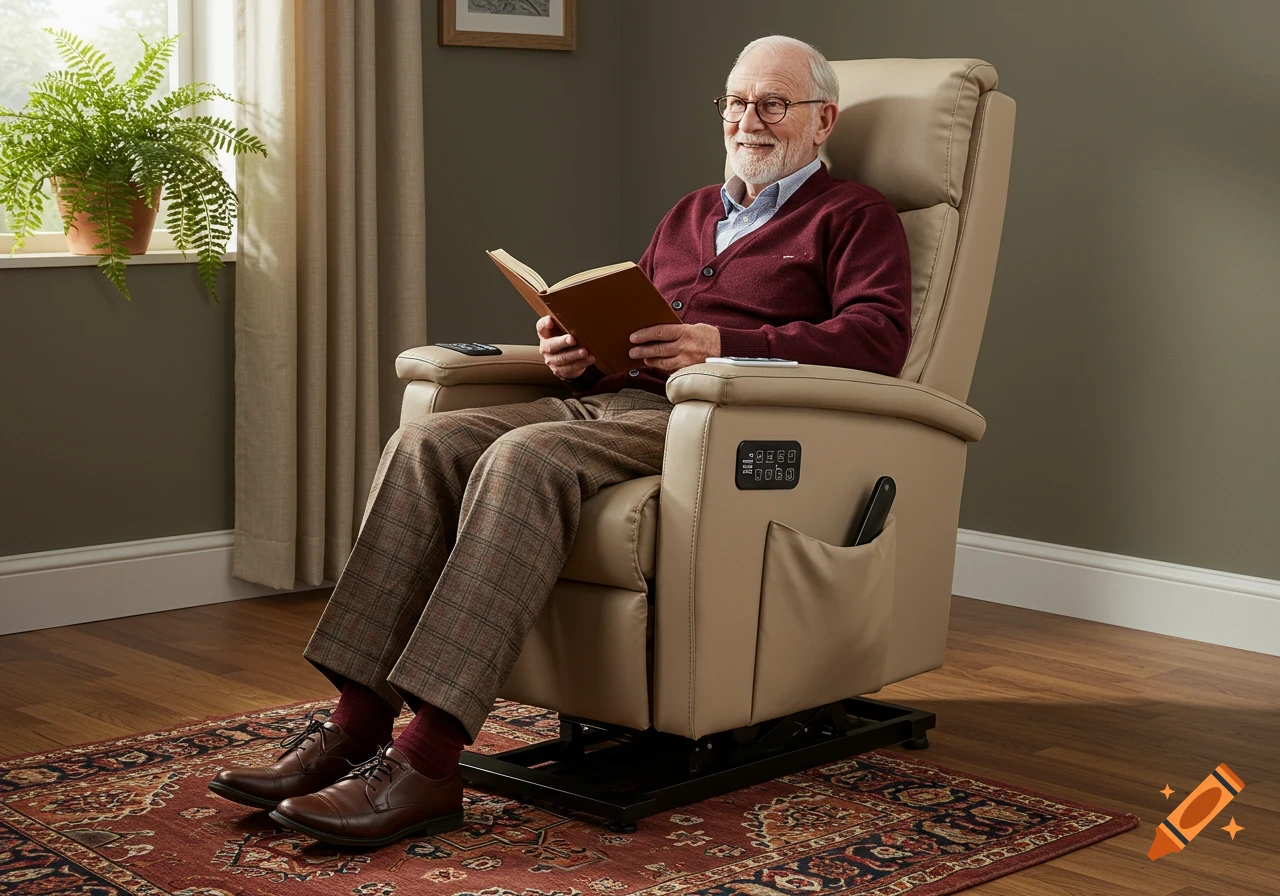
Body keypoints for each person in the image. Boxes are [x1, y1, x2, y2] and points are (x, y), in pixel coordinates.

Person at [208, 33, 912, 848]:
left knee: (522, 458)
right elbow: (628, 350)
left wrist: (721, 345)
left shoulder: (856, 215)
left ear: (822, 121)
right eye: (735, 101)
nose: (747, 119)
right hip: (616, 411)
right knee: (425, 445)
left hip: (716, 426)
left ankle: (429, 761)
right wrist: (575, 355)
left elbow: (878, 340)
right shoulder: (689, 213)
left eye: (772, 103)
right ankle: (355, 726)